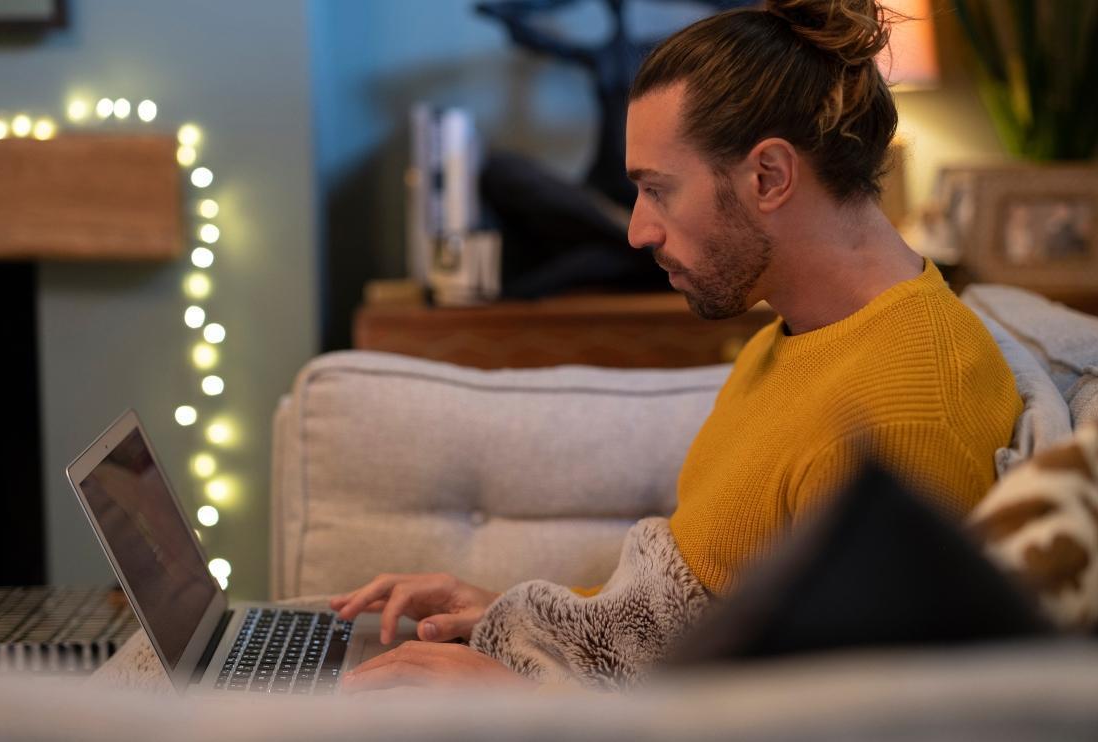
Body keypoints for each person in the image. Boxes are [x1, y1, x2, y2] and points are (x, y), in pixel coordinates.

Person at [332, 0, 1023, 692]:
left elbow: (837, 724)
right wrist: (509, 618)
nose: (638, 232)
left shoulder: (906, 412)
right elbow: (684, 622)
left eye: (658, 191)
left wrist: (512, 703)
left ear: (770, 177)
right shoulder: (791, 337)